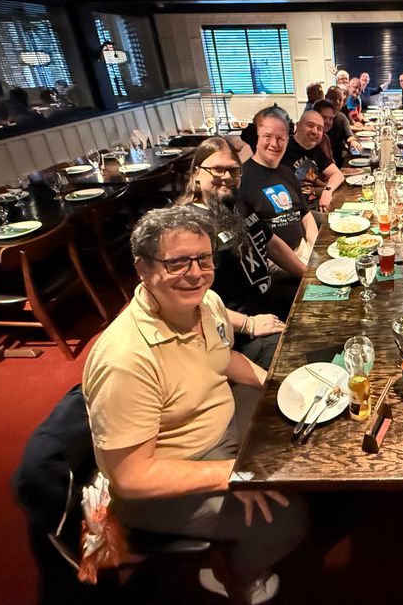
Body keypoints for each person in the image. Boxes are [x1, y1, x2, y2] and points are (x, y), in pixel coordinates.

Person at [82, 206, 307, 602]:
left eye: (204, 259)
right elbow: (132, 478)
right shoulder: (124, 359)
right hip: (162, 482)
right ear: (142, 268)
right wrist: (233, 474)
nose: (196, 273)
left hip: (219, 431)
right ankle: (234, 576)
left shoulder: (207, 304)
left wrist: (276, 386)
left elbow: (222, 358)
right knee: (289, 518)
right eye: (177, 262)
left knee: (302, 428)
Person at [178, 137, 304, 326]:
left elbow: (272, 244)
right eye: (217, 169)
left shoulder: (236, 203)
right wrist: (248, 325)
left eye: (234, 170)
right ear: (196, 173)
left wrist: (307, 275)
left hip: (270, 299)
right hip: (241, 324)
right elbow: (190, 301)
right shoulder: (188, 226)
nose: (227, 177)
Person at [238, 112, 318, 264]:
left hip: (302, 248)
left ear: (287, 141)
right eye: (267, 136)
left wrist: (315, 249)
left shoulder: (287, 172)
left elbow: (306, 215)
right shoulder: (242, 178)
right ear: (257, 139)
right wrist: (307, 267)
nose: (274, 144)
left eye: (280, 138)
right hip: (272, 260)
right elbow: (263, 244)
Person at [281, 110, 345, 212]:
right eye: (310, 126)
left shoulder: (315, 149)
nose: (315, 131)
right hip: (293, 210)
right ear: (298, 126)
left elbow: (338, 174)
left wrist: (327, 191)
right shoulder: (283, 148)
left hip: (313, 204)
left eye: (319, 129)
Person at [313, 98, 361, 167]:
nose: (328, 122)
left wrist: (353, 141)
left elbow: (348, 135)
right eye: (324, 118)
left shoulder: (325, 138)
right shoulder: (312, 138)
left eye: (330, 118)